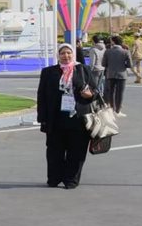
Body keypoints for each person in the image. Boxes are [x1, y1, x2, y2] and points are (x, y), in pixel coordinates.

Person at [37, 43, 97, 189]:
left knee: (77, 151)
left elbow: (95, 90)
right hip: (56, 118)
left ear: (73, 54)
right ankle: (54, 178)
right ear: (58, 55)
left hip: (79, 118)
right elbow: (41, 96)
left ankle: (71, 179)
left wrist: (90, 94)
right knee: (54, 151)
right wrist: (42, 118)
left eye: (69, 53)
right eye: (62, 53)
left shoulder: (83, 69)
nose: (66, 56)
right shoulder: (48, 72)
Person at [102, 35, 132, 116]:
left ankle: (112, 109)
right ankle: (118, 111)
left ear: (113, 42)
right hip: (122, 74)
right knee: (120, 93)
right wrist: (123, 65)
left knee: (111, 92)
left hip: (110, 74)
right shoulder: (125, 52)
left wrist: (110, 65)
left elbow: (103, 64)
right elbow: (130, 65)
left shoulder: (107, 51)